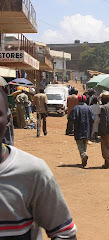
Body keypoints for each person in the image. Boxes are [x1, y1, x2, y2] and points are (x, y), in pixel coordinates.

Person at [0, 88, 77, 239]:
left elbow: (64, 233)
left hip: (39, 110)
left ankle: (38, 132)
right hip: (44, 110)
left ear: (8, 120)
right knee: (44, 121)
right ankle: (43, 132)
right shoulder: (45, 97)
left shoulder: (31, 172)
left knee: (39, 123)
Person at [69, 95, 94, 168]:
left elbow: (72, 119)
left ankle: (83, 155)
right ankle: (83, 157)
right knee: (84, 143)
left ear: (78, 100)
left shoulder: (76, 108)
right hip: (87, 129)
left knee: (80, 144)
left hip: (78, 129)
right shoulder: (89, 108)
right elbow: (93, 119)